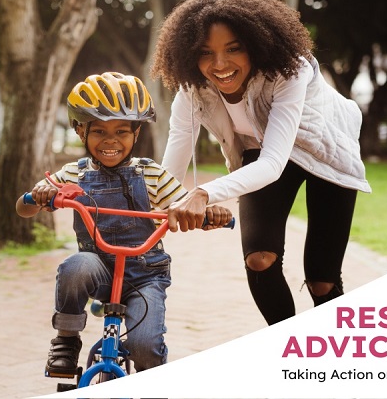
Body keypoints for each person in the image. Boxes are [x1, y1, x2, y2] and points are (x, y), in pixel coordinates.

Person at [150, 0, 372, 325]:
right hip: (261, 153)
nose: (220, 64)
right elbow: (181, 141)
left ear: (256, 45)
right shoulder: (192, 88)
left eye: (233, 49)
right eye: (206, 53)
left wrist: (203, 193)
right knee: (260, 259)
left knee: (322, 280)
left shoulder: (290, 71)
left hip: (326, 156)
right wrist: (156, 202)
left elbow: (274, 163)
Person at [16, 72, 232, 377]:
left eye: (121, 131)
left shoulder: (151, 173)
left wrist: (209, 214)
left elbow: (183, 206)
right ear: (80, 131)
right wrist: (39, 196)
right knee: (75, 266)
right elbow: (23, 208)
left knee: (145, 347)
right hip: (98, 271)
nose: (111, 141)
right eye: (99, 131)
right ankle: (66, 340)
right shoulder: (72, 174)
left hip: (145, 277)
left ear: (136, 132)